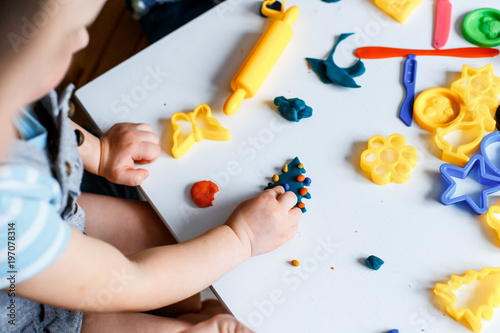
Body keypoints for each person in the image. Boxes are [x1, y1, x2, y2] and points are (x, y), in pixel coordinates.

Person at [0, 0, 302, 332]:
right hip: (23, 311)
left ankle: (184, 309)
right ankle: (180, 320)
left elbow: (40, 125)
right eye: (72, 32)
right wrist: (241, 237)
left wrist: (98, 152)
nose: (83, 41)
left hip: (49, 221)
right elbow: (131, 280)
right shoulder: (7, 218)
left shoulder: (10, 88)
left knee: (176, 232)